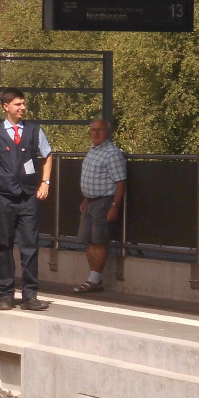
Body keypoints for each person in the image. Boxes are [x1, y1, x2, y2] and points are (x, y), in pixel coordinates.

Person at [0, 88, 53, 311]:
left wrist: (45, 183)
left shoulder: (34, 130)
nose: (22, 108)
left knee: (30, 246)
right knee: (3, 246)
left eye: (23, 104)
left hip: (28, 197)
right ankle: (5, 295)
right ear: (6, 107)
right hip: (3, 198)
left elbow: (48, 155)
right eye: (17, 104)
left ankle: (30, 296)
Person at [74, 118, 127, 293]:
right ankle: (94, 278)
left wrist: (115, 205)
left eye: (100, 130)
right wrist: (86, 198)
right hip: (90, 202)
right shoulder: (92, 150)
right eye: (93, 130)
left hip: (105, 201)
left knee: (99, 241)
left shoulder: (112, 153)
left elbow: (120, 182)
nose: (96, 133)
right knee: (88, 240)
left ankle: (94, 279)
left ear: (108, 132)